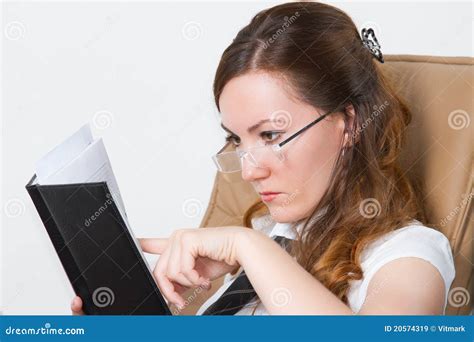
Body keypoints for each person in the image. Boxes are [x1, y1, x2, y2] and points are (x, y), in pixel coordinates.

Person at [72, 1, 455, 315]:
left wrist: (249, 248)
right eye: (236, 139)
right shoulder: (265, 239)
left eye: (271, 134)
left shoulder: (406, 255)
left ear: (349, 123)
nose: (250, 170)